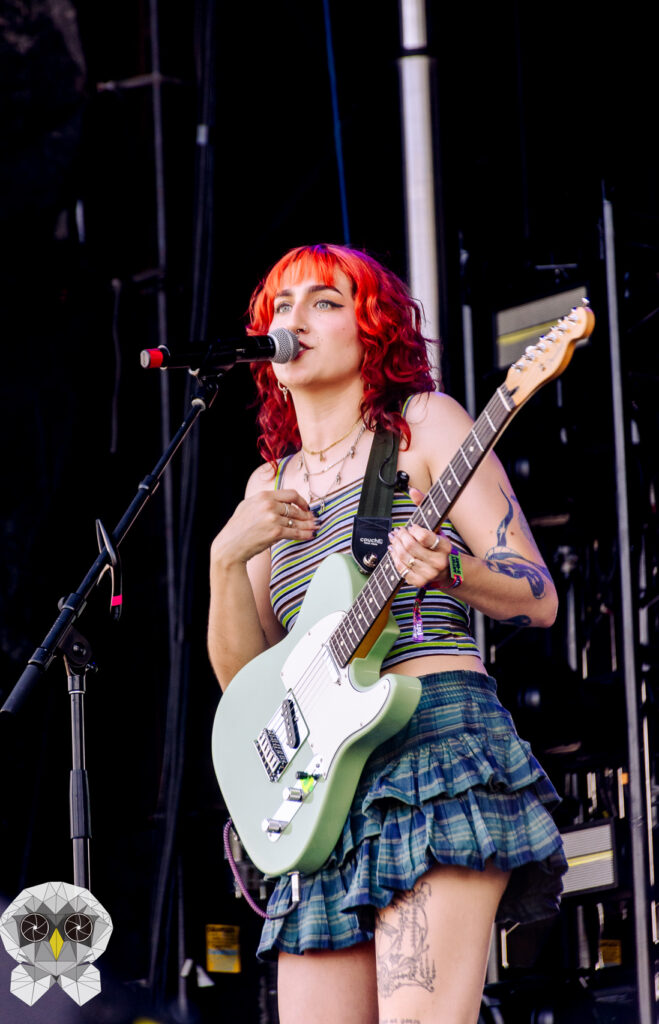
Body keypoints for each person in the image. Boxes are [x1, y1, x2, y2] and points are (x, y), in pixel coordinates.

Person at [207, 243, 566, 1024]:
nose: (294, 319)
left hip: (432, 746)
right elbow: (248, 685)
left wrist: (449, 570)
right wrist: (224, 559)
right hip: (322, 790)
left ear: (373, 330)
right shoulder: (269, 487)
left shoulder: (424, 426)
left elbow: (537, 597)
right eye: (281, 306)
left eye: (324, 302)